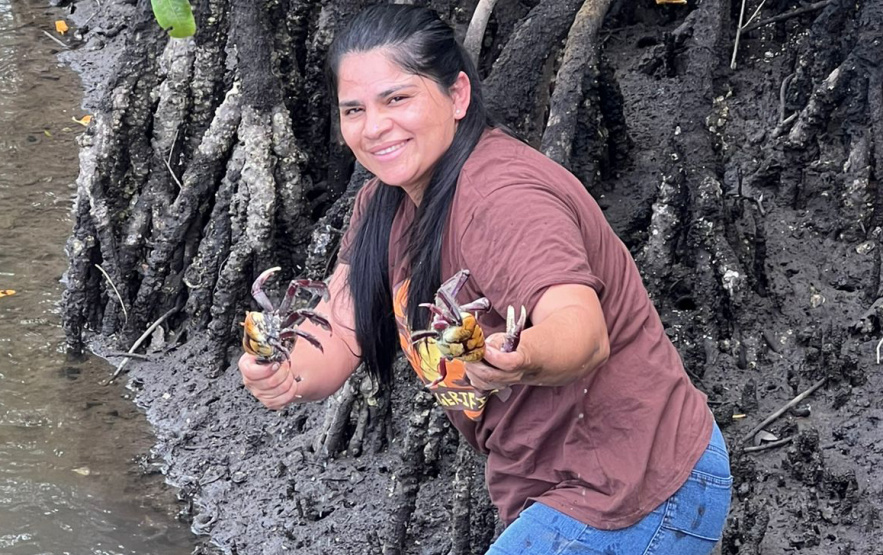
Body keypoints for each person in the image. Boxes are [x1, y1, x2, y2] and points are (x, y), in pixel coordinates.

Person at [239, 4, 732, 553]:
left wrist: (522, 356)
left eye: (396, 98)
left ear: (458, 96)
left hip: (638, 486)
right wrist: (280, 371)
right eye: (353, 109)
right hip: (554, 490)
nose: (374, 127)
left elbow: (583, 331)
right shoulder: (380, 205)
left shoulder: (503, 199)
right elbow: (335, 331)